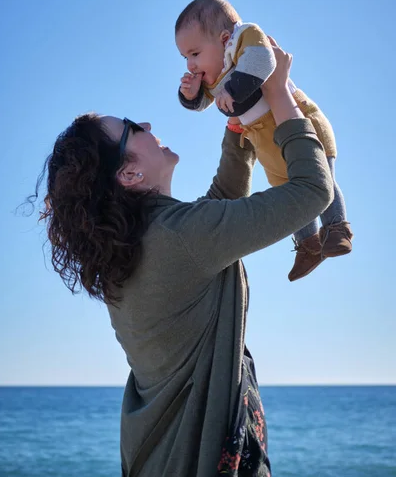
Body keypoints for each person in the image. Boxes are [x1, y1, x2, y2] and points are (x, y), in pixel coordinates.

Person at [33, 41, 333, 476]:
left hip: (158, 455)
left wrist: (238, 121)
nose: (149, 123)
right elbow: (312, 191)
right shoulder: (180, 237)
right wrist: (281, 93)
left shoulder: (139, 244)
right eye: (134, 128)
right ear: (129, 174)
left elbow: (217, 213)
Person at [176, 0, 353, 281]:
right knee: (288, 191)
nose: (190, 65)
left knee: (321, 176)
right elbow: (205, 103)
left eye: (194, 54)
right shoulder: (217, 75)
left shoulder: (244, 37)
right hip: (267, 142)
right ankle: (308, 246)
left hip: (300, 122)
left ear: (223, 38)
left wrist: (232, 90)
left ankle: (337, 228)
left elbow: (262, 61)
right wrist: (192, 94)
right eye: (185, 58)